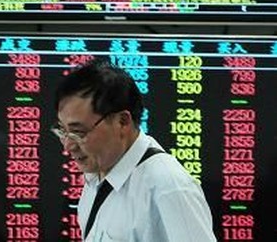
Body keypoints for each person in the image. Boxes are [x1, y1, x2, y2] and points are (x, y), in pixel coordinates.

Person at [52, 59, 216, 242]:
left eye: (78, 132)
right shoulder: (95, 177)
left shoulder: (168, 186)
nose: (68, 145)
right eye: (62, 131)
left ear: (122, 122)